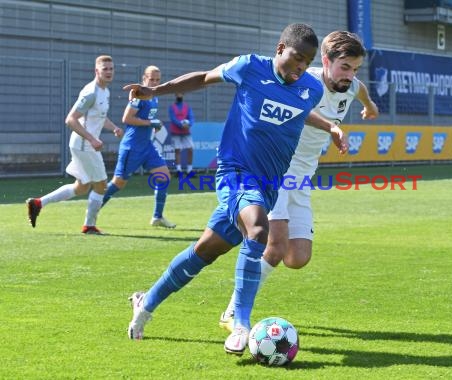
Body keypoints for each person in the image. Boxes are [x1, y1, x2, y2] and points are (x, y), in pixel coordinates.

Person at [124, 23, 347, 355]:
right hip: (235, 173)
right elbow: (204, 77)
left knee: (203, 253)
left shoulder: (310, 89)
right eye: (297, 58)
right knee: (258, 230)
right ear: (280, 49)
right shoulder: (250, 67)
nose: (301, 67)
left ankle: (146, 300)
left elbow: (302, 113)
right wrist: (155, 92)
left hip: (268, 184)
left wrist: (330, 126)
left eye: (307, 61)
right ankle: (240, 322)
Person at [219, 31, 379, 330]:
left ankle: (244, 246)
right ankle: (234, 312)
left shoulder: (351, 85)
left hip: (302, 182)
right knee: (276, 246)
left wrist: (369, 107)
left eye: (355, 69)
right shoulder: (305, 80)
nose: (350, 75)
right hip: (277, 172)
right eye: (344, 67)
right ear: (326, 61)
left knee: (297, 257)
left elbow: (360, 92)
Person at [26, 55, 123, 234]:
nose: (109, 72)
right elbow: (71, 119)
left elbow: (100, 117)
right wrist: (92, 139)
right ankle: (89, 225)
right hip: (84, 145)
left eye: (111, 69)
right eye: (105, 69)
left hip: (84, 145)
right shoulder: (91, 92)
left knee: (82, 187)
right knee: (101, 185)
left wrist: (114, 127)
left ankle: (38, 203)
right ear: (97, 71)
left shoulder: (105, 91)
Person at [101, 65, 176, 229]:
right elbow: (126, 118)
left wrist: (154, 124)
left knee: (164, 176)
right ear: (144, 78)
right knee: (118, 183)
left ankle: (157, 217)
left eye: (157, 79)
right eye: (151, 79)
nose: (154, 82)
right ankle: (92, 211)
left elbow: (147, 119)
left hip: (147, 146)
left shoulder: (154, 96)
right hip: (132, 146)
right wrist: (150, 123)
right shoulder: (139, 95)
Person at [168, 93, 195, 174]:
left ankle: (189, 170)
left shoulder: (187, 107)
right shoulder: (171, 107)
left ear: (183, 95)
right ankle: (178, 170)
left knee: (190, 149)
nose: (179, 96)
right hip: (175, 131)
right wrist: (181, 125)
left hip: (186, 131)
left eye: (181, 94)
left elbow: (191, 117)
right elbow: (173, 118)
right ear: (175, 96)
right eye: (177, 94)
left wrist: (189, 124)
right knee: (177, 150)